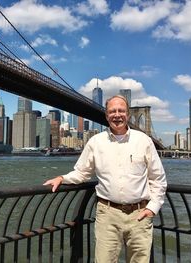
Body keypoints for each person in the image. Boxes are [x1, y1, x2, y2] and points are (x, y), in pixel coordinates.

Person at [43, 95, 167, 263]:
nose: (117, 115)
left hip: (140, 215)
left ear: (128, 115)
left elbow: (158, 178)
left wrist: (152, 208)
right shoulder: (95, 142)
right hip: (107, 215)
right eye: (112, 111)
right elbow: (81, 172)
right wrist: (61, 178)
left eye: (121, 111)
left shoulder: (144, 141)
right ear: (107, 116)